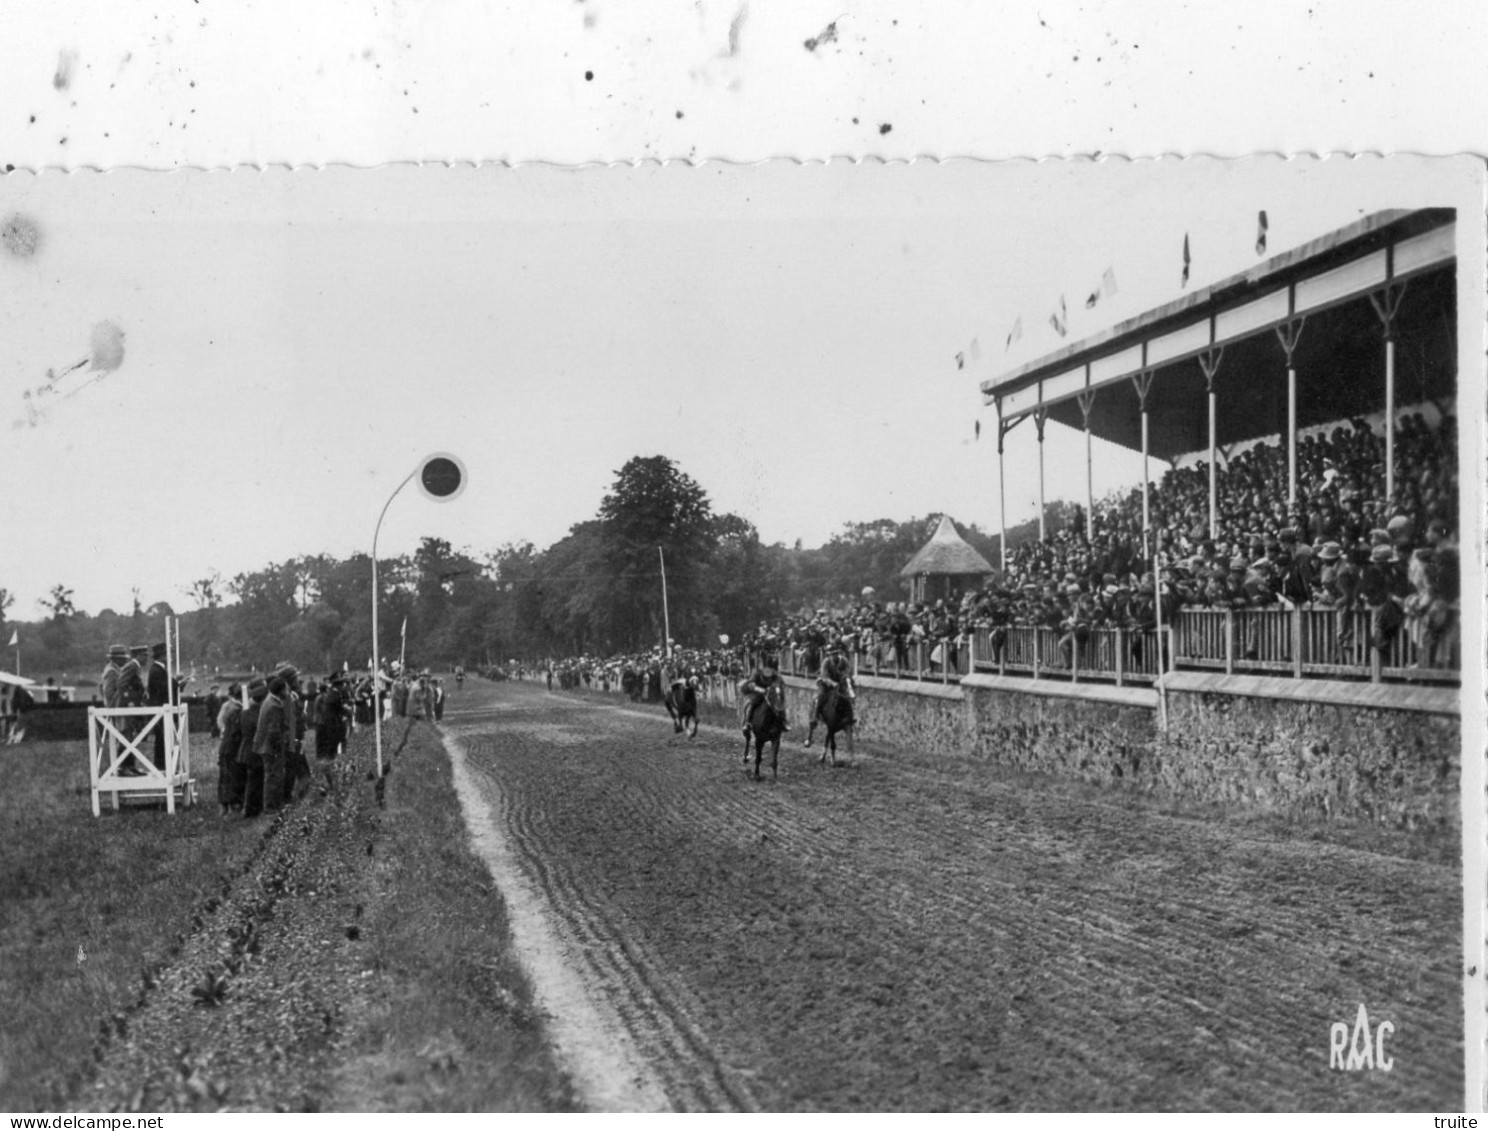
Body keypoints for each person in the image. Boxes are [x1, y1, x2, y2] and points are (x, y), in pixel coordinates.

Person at [804, 643, 852, 748]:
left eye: (836, 653)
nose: (834, 656)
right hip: (825, 684)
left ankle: (850, 716)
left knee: (847, 696)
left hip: (838, 683)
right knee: (820, 697)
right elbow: (824, 676)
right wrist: (832, 683)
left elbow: (849, 670)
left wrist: (845, 677)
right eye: (832, 654)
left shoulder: (843, 660)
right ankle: (815, 717)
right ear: (829, 655)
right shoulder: (826, 662)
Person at [313, 672, 347, 798]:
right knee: (327, 755)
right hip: (327, 727)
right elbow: (332, 712)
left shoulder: (331, 695)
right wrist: (345, 711)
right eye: (342, 683)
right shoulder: (332, 696)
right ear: (339, 685)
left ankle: (327, 781)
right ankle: (325, 782)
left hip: (327, 727)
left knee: (327, 754)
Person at [216, 682, 246, 816]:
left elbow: (220, 721)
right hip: (233, 746)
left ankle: (224, 804)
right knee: (233, 775)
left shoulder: (229, 706)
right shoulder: (237, 709)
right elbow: (221, 721)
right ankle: (232, 803)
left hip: (226, 746)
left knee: (225, 776)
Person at [739, 660, 789, 736]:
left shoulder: (776, 675)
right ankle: (747, 723)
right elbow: (751, 685)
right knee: (752, 703)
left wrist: (776, 688)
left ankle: (784, 722)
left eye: (770, 678)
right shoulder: (756, 674)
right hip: (758, 693)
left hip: (771, 693)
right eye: (766, 678)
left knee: (779, 704)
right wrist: (760, 689)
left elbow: (780, 683)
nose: (769, 679)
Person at [145, 642, 171, 771]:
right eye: (167, 655)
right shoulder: (156, 670)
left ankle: (163, 765)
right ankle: (160, 766)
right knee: (161, 739)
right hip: (159, 710)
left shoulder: (159, 669)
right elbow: (162, 688)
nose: (169, 658)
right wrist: (175, 683)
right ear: (162, 656)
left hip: (161, 710)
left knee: (163, 739)